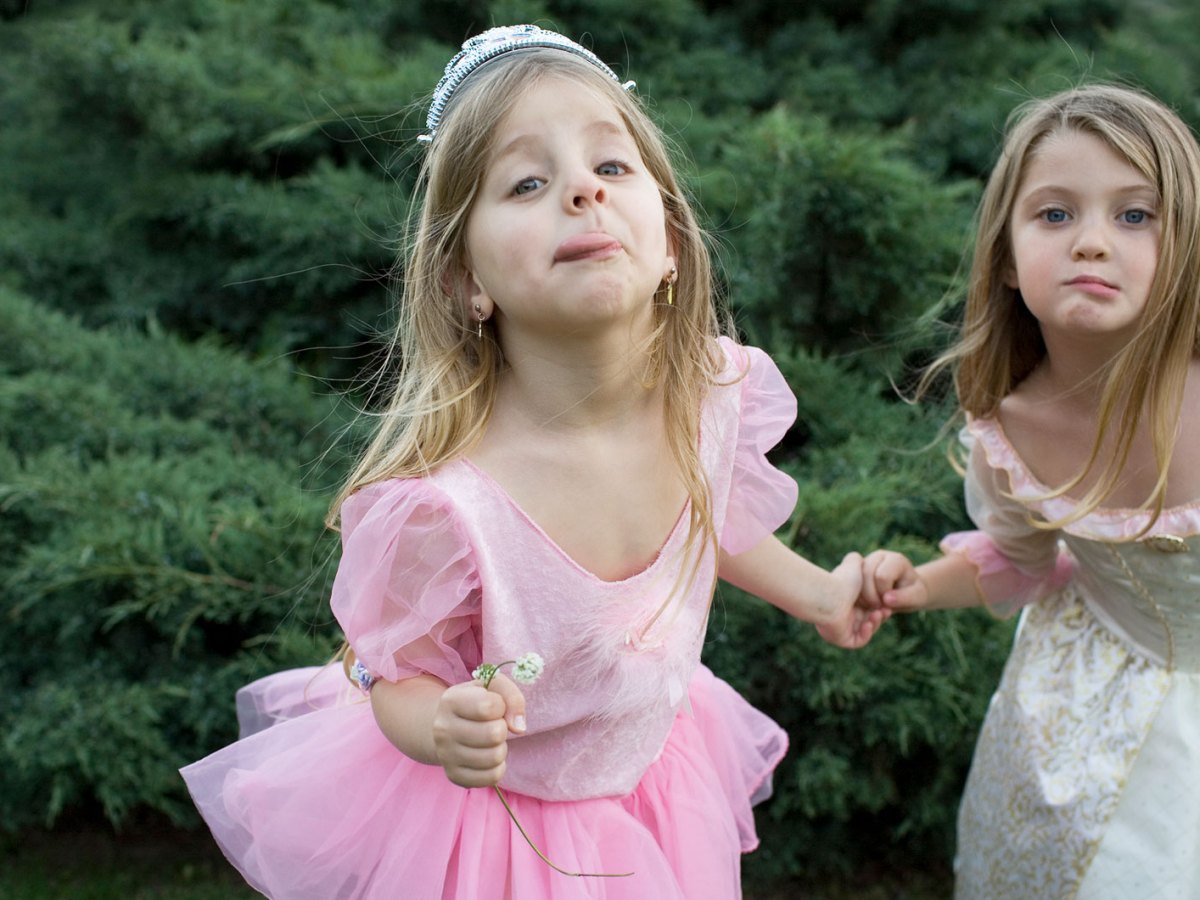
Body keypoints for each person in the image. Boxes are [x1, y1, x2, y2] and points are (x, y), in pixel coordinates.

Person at [181, 24, 886, 900]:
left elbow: (714, 525)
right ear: (462, 280)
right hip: (504, 839)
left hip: (651, 782)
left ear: (668, 239)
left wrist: (817, 592)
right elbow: (396, 676)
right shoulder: (449, 508)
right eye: (526, 182)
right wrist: (441, 725)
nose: (582, 191)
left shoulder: (707, 393)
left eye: (613, 167)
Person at [861, 83, 1200, 899]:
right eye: (1055, 215)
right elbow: (1023, 559)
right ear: (1007, 259)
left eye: (1134, 215)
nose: (1090, 242)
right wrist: (915, 585)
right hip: (1089, 693)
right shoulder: (1009, 425)